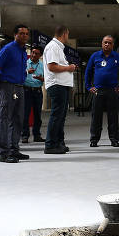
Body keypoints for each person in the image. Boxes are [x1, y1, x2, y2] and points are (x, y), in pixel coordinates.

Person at [0, 25, 30, 163]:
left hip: (20, 87)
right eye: (21, 33)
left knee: (18, 119)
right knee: (4, 118)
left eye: (26, 34)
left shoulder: (23, 51)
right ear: (15, 35)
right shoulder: (8, 49)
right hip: (7, 86)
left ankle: (14, 149)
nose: (24, 36)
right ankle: (4, 152)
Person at [84, 35, 119, 148]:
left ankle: (114, 139)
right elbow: (88, 72)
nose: (107, 44)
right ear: (102, 44)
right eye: (105, 42)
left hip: (112, 91)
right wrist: (89, 87)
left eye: (109, 43)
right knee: (96, 117)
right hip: (98, 91)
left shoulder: (118, 57)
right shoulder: (95, 56)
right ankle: (94, 140)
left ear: (113, 45)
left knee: (113, 117)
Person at [43, 25, 76, 154]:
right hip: (57, 85)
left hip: (61, 85)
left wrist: (69, 67)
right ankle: (50, 145)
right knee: (56, 116)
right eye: (68, 34)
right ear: (64, 34)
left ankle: (58, 143)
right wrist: (69, 68)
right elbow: (52, 67)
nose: (68, 37)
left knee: (60, 116)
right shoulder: (53, 47)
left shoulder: (58, 47)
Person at [22, 46, 45, 143]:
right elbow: (19, 75)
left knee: (37, 114)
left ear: (40, 55)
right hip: (26, 90)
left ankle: (37, 135)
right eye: (33, 52)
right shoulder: (24, 63)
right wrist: (27, 72)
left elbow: (46, 79)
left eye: (37, 53)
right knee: (25, 114)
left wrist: (41, 79)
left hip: (38, 91)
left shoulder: (42, 65)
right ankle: (25, 135)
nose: (34, 55)